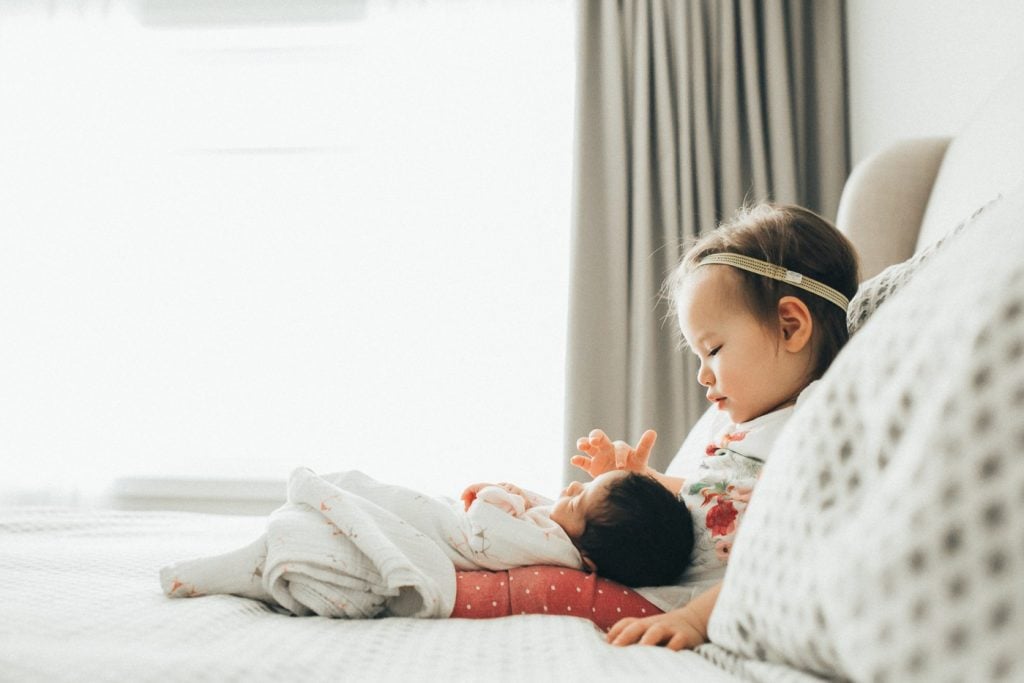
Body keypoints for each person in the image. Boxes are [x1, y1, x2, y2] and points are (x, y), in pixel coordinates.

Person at [569, 203, 860, 648]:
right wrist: (641, 483)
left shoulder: (815, 421)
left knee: (541, 582)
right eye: (699, 357)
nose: (703, 375)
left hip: (706, 601)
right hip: (676, 590)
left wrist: (694, 620)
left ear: (789, 326)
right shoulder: (741, 428)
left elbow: (783, 549)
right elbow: (711, 496)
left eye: (714, 349)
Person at [461, 469, 694, 588]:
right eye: (586, 485)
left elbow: (489, 532)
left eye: (575, 502)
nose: (572, 486)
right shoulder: (572, 537)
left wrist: (497, 497)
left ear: (589, 560)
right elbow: (549, 513)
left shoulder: (557, 549)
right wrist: (522, 498)